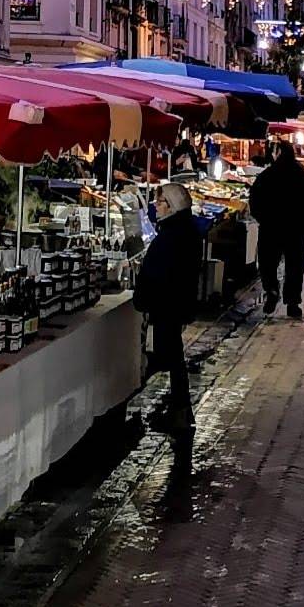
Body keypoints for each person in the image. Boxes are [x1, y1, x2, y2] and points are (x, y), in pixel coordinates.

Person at [132, 183, 203, 435]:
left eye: (159, 202)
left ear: (171, 206)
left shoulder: (172, 236)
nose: (155, 207)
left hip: (168, 304)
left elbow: (157, 273)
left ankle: (179, 413)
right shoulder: (186, 230)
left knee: (169, 356)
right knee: (173, 357)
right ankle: (180, 410)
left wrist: (142, 299)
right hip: (177, 303)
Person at [249, 141, 304, 320]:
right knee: (295, 266)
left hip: (271, 228)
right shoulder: (303, 176)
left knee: (268, 262)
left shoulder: (267, 176)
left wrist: (263, 219)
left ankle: (272, 289)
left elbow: (255, 201)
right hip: (297, 229)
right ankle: (292, 303)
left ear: (277, 154)